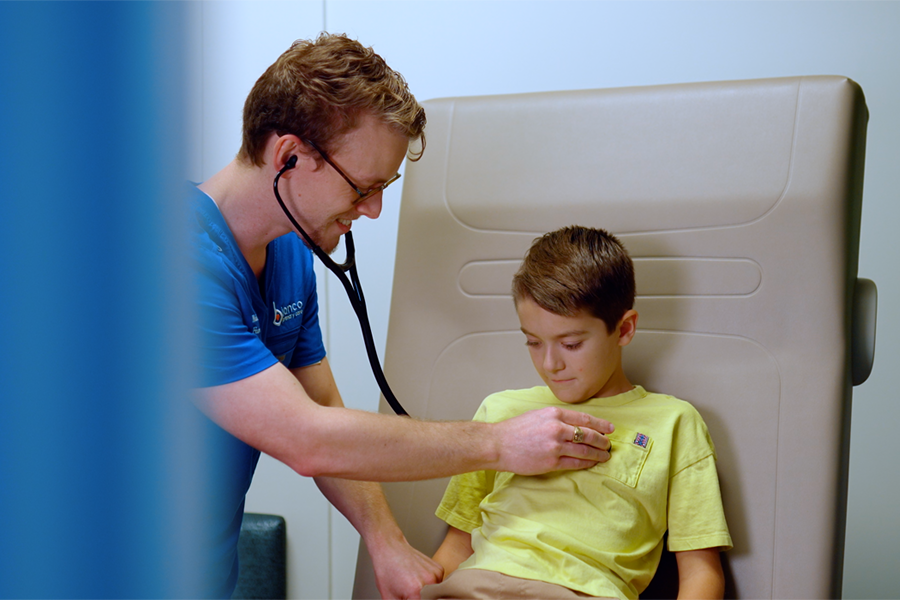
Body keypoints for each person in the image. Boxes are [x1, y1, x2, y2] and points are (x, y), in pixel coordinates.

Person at [189, 34, 616, 600]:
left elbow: (326, 414)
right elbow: (306, 438)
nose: (373, 210)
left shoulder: (290, 253)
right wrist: (497, 444)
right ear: (287, 155)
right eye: (362, 187)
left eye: (383, 188)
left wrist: (385, 541)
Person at [424, 226, 733, 600]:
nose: (550, 363)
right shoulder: (499, 412)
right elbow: (457, 548)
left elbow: (701, 575)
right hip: (474, 588)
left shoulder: (674, 423)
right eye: (533, 342)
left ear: (624, 329)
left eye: (571, 343)